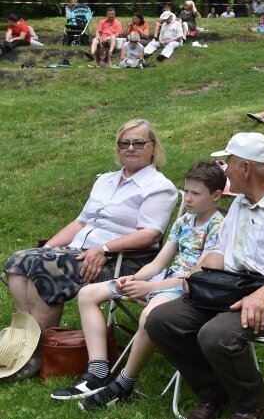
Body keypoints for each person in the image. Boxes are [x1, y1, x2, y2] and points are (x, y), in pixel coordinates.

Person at [146, 132, 264, 419]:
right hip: (233, 290)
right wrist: (197, 278)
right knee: (161, 320)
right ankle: (213, 391)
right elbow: (221, 253)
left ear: (245, 168)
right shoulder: (240, 204)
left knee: (216, 335)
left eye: (227, 163)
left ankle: (251, 402)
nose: (224, 170)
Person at [2, 119, 177, 380]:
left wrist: (103, 248)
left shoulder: (159, 187)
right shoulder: (105, 180)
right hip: (82, 251)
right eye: (124, 143)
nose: (131, 148)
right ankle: (26, 342)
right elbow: (80, 222)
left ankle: (37, 354)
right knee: (19, 261)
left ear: (153, 147)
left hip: (124, 261)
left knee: (47, 266)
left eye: (139, 142)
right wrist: (48, 247)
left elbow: (150, 234)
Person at [50, 161, 226, 410]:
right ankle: (99, 371)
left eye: (195, 193)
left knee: (150, 315)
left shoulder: (219, 226)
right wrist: (136, 280)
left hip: (186, 287)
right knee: (88, 293)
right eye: (185, 191)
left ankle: (124, 384)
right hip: (164, 277)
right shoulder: (184, 221)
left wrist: (150, 290)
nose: (187, 198)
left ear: (216, 196)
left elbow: (197, 278)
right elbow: (157, 263)